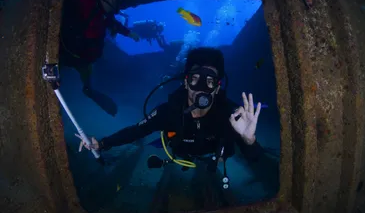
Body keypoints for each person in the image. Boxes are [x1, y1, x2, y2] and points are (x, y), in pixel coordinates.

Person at [76, 48, 265, 174]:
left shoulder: (231, 115)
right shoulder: (170, 111)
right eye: (195, 79)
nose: (201, 88)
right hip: (181, 152)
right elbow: (136, 131)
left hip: (216, 155)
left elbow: (256, 160)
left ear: (217, 88)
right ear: (185, 82)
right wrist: (102, 143)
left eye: (209, 82)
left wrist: (249, 140)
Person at [59, 0, 140, 116]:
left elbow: (113, 24)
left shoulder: (103, 13)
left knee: (87, 82)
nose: (117, 5)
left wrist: (129, 33)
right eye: (116, 0)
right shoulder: (88, 1)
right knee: (59, 74)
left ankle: (88, 90)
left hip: (84, 61)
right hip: (68, 54)